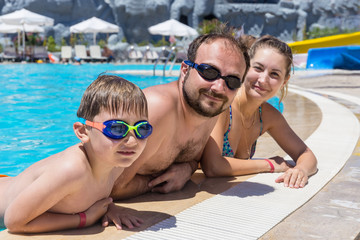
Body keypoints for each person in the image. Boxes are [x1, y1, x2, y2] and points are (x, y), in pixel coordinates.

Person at [0, 75, 151, 233]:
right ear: (82, 132)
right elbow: (14, 221)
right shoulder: (72, 169)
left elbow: (92, 192)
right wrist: (84, 219)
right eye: (117, 128)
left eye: (142, 129)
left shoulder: (115, 162)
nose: (132, 141)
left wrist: (108, 207)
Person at [110, 31, 250, 200]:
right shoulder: (156, 109)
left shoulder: (211, 109)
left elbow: (195, 158)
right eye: (209, 72)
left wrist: (187, 168)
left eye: (233, 81)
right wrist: (154, 182)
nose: (219, 88)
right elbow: (111, 186)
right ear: (185, 70)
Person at [201, 35, 318, 188]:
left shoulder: (268, 116)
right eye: (258, 68)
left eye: (274, 74)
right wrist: (269, 164)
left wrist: (300, 170)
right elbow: (213, 166)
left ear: (284, 81)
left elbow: (306, 154)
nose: (263, 80)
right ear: (244, 67)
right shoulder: (223, 104)